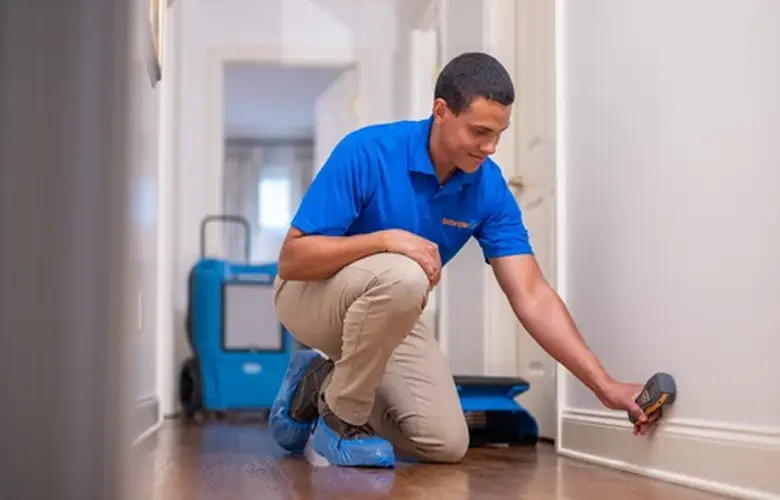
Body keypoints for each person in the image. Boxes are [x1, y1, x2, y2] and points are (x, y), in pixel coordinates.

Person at [268, 51, 660, 468]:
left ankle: (316, 384)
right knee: (406, 275)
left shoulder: (488, 188)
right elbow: (293, 259)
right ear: (441, 111)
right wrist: (385, 240)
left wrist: (603, 385)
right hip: (310, 295)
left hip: (387, 310)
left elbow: (531, 295)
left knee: (444, 442)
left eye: (499, 134)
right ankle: (341, 420)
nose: (490, 147)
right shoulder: (368, 151)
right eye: (479, 132)